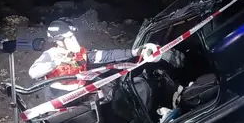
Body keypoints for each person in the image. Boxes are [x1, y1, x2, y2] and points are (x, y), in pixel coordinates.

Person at [28, 18, 182, 102]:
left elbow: (107, 56)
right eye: (69, 37)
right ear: (58, 40)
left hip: (82, 94)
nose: (73, 40)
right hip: (60, 99)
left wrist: (134, 51)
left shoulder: (80, 53)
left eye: (73, 37)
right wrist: (57, 62)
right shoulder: (50, 55)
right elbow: (33, 73)